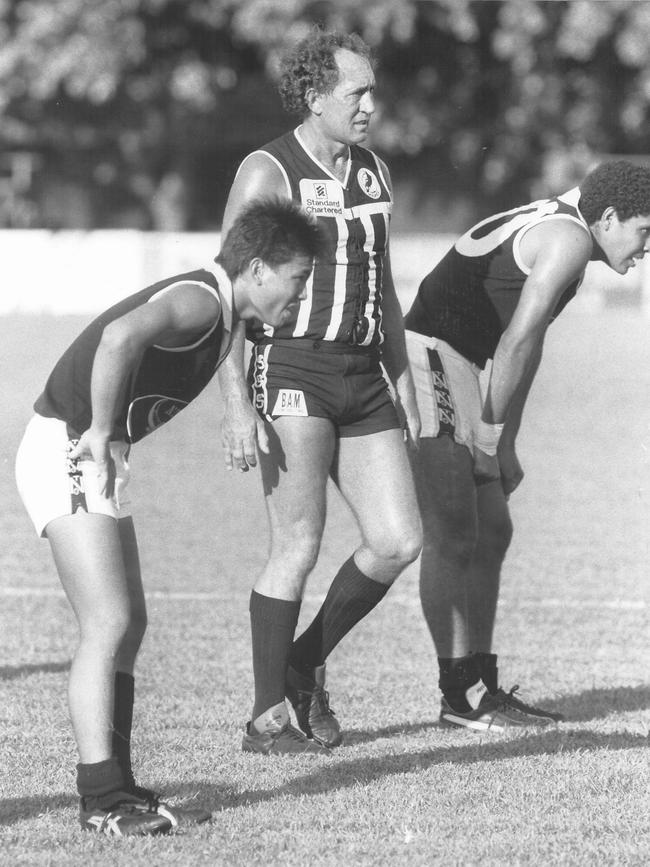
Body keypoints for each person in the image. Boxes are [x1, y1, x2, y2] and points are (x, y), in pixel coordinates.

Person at [15, 197, 322, 835]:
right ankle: (100, 800)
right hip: (69, 447)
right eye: (295, 282)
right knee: (108, 622)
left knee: (131, 625)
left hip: (94, 456)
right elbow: (119, 335)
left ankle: (120, 789)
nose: (298, 298)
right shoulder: (205, 301)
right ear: (259, 270)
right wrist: (100, 429)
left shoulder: (231, 316)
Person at [217, 29, 422, 756]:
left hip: (364, 376)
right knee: (297, 546)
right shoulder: (267, 169)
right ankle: (266, 718)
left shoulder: (373, 172)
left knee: (399, 540)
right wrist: (238, 404)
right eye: (355, 93)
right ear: (315, 98)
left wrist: (405, 385)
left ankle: (301, 663)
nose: (370, 105)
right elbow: (230, 292)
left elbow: (386, 290)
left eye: (372, 90)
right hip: (294, 369)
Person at [403, 159, 650, 731]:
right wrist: (488, 440)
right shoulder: (566, 240)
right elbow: (513, 342)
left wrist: (505, 442)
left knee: (494, 529)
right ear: (608, 217)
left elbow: (527, 345)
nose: (645, 249)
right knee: (453, 530)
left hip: (461, 362)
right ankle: (457, 695)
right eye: (643, 231)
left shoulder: (572, 230)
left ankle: (482, 686)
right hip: (432, 354)